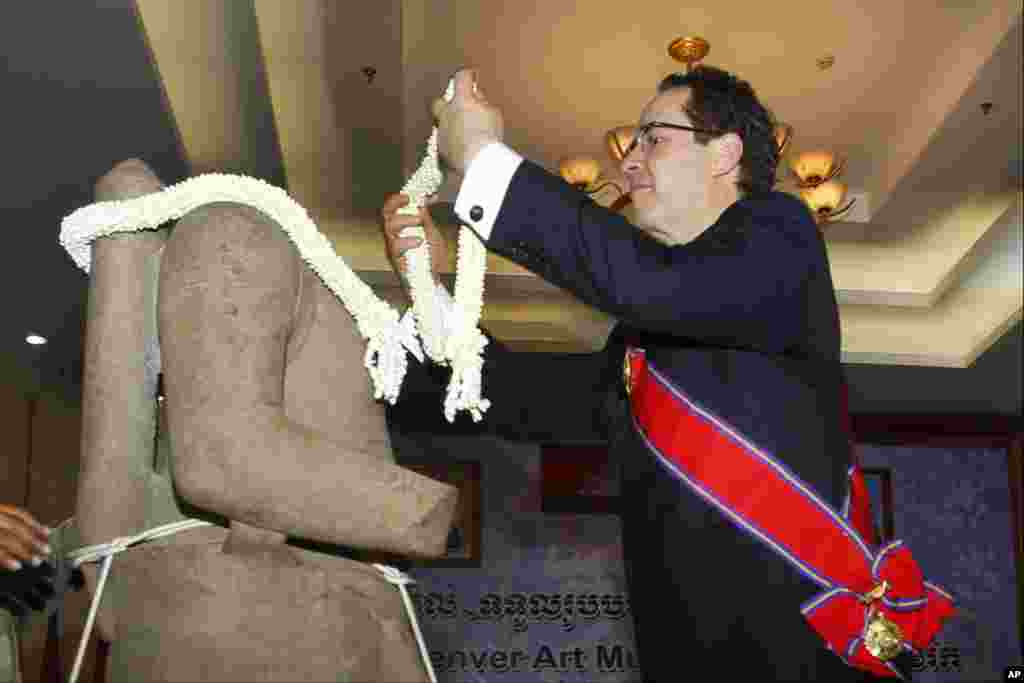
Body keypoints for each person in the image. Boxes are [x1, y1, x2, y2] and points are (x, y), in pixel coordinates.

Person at [382, 66, 909, 681]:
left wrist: (483, 159)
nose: (627, 164)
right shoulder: (642, 337)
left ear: (726, 154)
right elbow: (531, 405)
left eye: (651, 138)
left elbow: (657, 285)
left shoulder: (781, 231)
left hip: (799, 658)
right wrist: (434, 294)